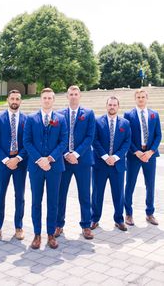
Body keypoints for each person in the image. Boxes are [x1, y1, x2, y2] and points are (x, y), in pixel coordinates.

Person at [23, 88, 67, 249]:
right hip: (36, 167)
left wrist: (49, 159)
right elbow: (27, 141)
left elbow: (63, 142)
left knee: (53, 202)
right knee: (36, 201)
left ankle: (50, 234)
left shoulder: (61, 119)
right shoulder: (31, 119)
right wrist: (39, 159)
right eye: (44, 98)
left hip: (54, 167)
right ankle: (36, 234)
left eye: (49, 98)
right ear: (41, 100)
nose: (47, 100)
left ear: (53, 100)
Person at [55, 85, 95, 239]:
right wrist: (65, 153)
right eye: (70, 94)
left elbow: (89, 137)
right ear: (67, 96)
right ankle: (59, 225)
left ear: (80, 96)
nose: (73, 96)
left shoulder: (89, 114)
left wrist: (76, 154)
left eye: (76, 94)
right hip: (63, 161)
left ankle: (86, 225)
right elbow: (58, 137)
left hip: (82, 161)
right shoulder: (58, 114)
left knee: (84, 194)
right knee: (61, 194)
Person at [0, 90, 28, 241]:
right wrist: (6, 160)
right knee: (0, 196)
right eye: (12, 98)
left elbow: (28, 142)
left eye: (17, 99)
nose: (14, 101)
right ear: (7, 100)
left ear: (20, 101)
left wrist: (17, 159)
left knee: (20, 196)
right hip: (2, 164)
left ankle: (19, 227)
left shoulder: (26, 119)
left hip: (20, 163)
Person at [91, 96, 131, 231]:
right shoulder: (97, 121)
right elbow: (94, 140)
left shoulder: (125, 123)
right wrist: (105, 156)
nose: (112, 107)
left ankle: (119, 220)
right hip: (100, 165)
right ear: (106, 106)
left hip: (117, 165)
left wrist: (115, 157)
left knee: (118, 193)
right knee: (97, 193)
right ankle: (94, 219)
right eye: (110, 105)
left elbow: (127, 142)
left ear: (118, 107)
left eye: (114, 105)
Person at [124, 89, 162, 226]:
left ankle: (150, 213)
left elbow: (158, 135)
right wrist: (136, 152)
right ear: (135, 98)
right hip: (134, 155)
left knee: (150, 185)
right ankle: (128, 214)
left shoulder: (154, 114)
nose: (141, 99)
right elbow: (127, 136)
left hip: (150, 155)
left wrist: (151, 152)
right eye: (138, 97)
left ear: (147, 98)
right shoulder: (128, 115)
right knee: (130, 184)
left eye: (143, 97)